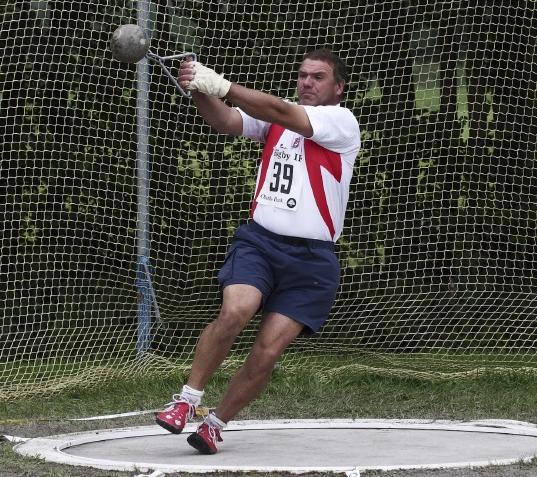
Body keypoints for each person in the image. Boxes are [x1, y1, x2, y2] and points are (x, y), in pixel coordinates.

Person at [155, 48, 361, 455]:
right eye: (302, 75)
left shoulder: (340, 121)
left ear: (338, 88)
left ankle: (215, 424)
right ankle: (186, 400)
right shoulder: (279, 121)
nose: (306, 82)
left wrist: (222, 84)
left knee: (267, 352)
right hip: (261, 242)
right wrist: (198, 87)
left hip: (312, 261)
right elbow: (226, 120)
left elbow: (282, 112)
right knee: (235, 310)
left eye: (317, 77)